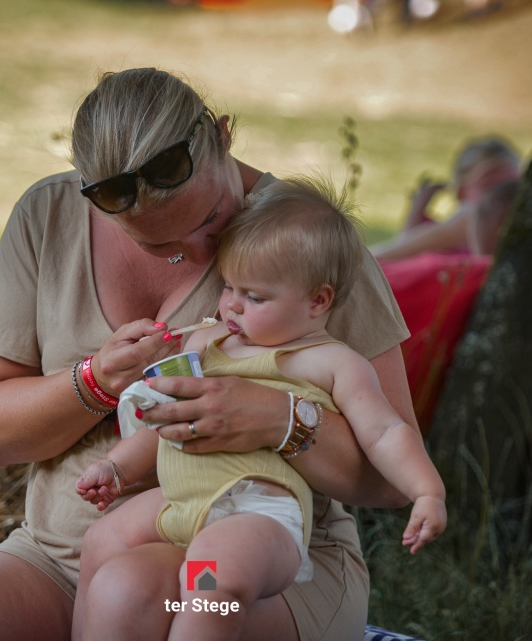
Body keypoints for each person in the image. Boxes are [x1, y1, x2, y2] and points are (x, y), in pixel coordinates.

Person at [0, 67, 418, 641]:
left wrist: (281, 420)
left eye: (212, 221)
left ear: (223, 136)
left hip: (247, 569)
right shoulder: (46, 215)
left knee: (137, 593)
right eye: (156, 243)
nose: (198, 255)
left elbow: (392, 481)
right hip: (64, 558)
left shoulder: (307, 239)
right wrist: (95, 382)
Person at [72, 177, 446, 641]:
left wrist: (427, 491)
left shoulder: (333, 363)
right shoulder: (207, 342)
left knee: (210, 579)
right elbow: (170, 419)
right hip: (182, 499)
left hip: (255, 509)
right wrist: (116, 468)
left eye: (254, 296)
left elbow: (386, 433)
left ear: (318, 300)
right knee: (101, 541)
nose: (232, 305)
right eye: (228, 286)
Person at [372, 136, 522, 260]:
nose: (499, 196)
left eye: (510, 188)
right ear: (461, 192)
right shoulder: (470, 217)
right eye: (489, 186)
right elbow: (397, 252)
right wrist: (417, 211)